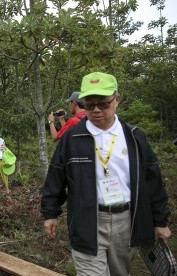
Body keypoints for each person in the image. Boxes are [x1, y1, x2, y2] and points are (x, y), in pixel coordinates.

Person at [41, 72, 171, 276]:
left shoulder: (134, 137)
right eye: (88, 105)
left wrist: (161, 222)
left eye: (103, 104)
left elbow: (153, 181)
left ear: (116, 100)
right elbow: (56, 176)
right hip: (86, 219)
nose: (96, 110)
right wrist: (51, 212)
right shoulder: (73, 138)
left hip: (126, 221)